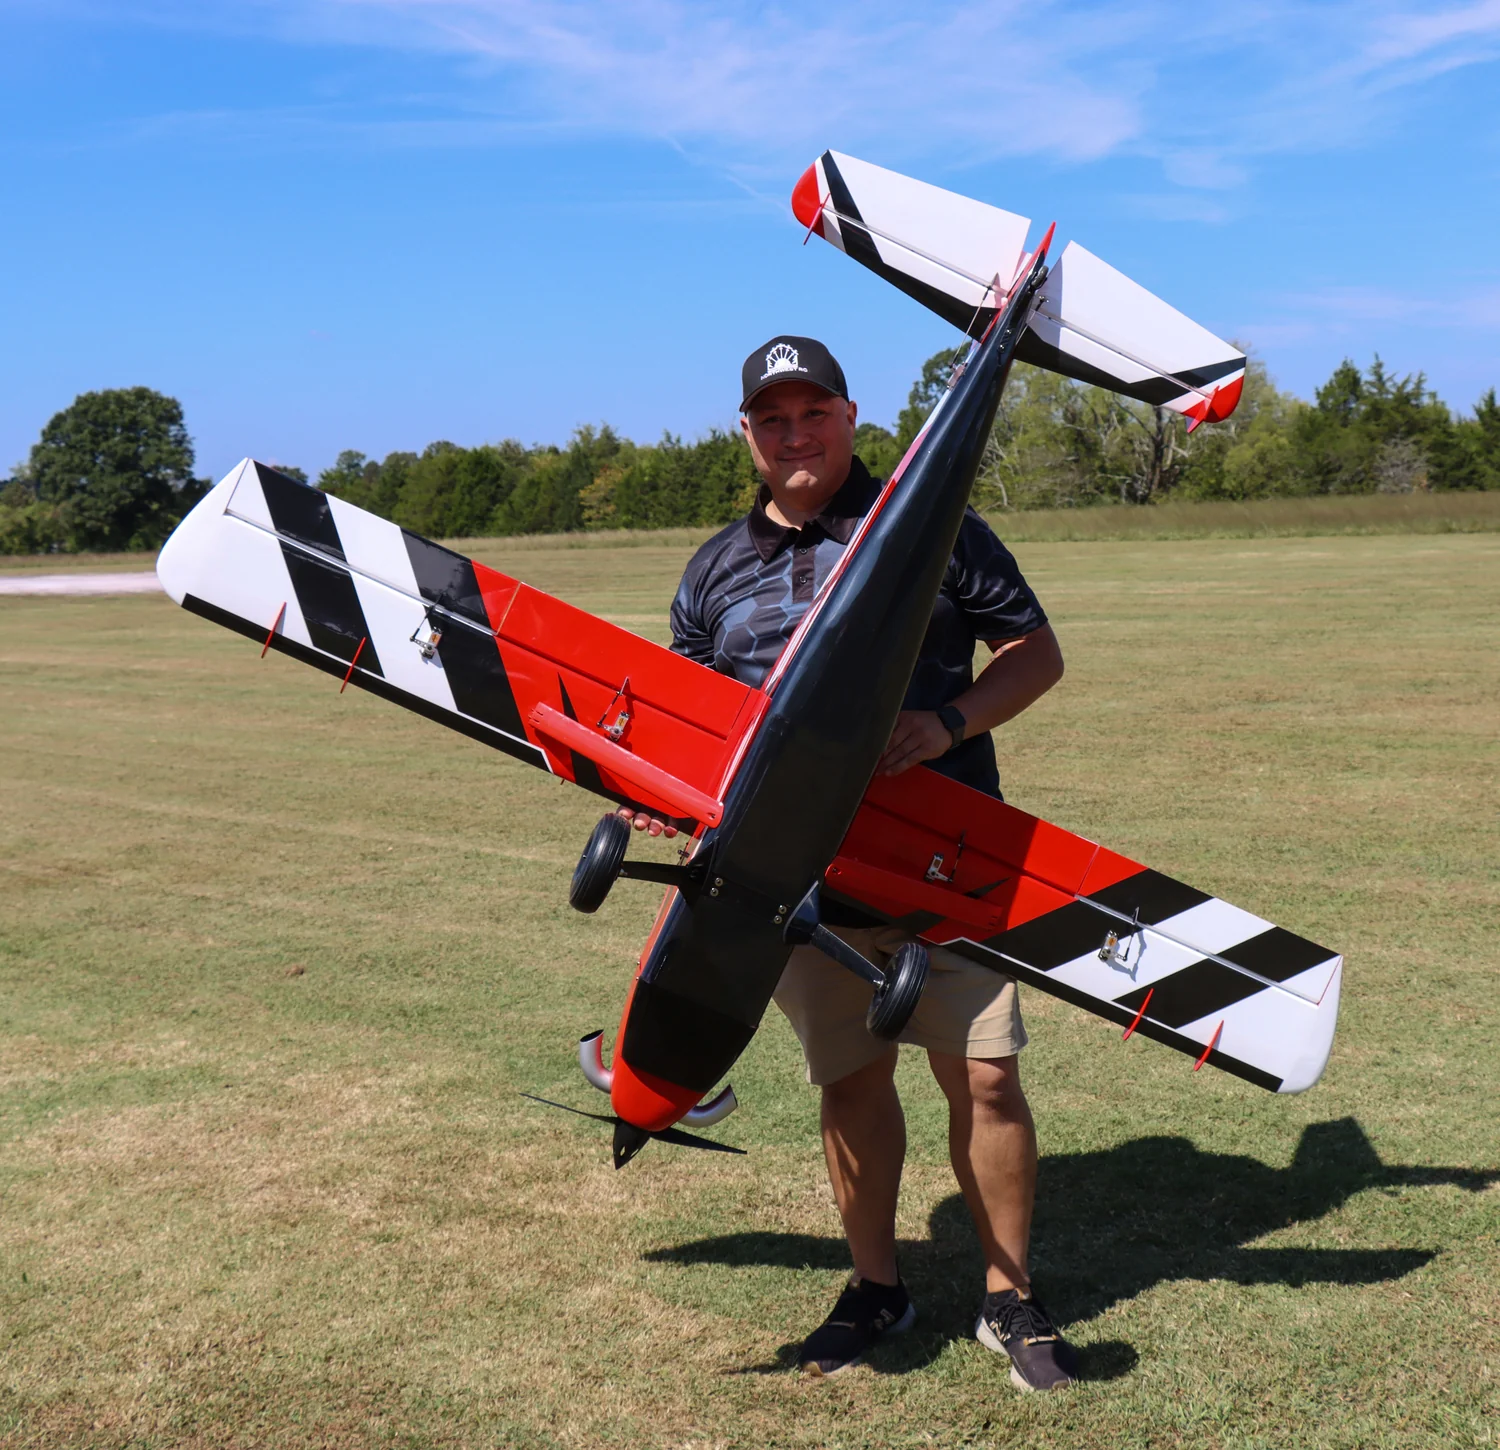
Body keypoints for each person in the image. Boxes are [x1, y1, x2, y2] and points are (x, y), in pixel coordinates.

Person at [619, 335, 1076, 1391]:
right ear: (747, 434)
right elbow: (688, 723)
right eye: (773, 419)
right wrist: (658, 792)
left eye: (813, 413)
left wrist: (948, 722)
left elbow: (1036, 653)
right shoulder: (712, 569)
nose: (795, 435)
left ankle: (1010, 1299)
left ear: (850, 417)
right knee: (853, 1081)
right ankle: (877, 1287)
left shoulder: (933, 526)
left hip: (945, 862)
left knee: (987, 1075)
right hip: (801, 886)